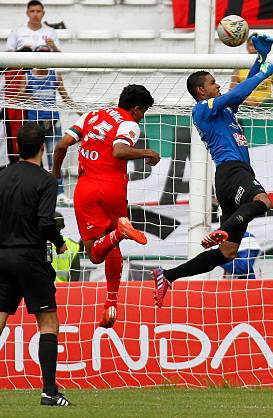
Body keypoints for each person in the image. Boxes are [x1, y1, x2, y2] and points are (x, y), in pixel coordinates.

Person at [152, 34, 273, 308]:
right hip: (233, 172)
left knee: (228, 252)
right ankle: (223, 229)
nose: (217, 83)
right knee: (263, 201)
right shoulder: (202, 110)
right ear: (201, 91)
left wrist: (259, 60)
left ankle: (169, 276)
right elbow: (237, 92)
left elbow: (240, 91)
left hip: (230, 178)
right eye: (211, 82)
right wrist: (264, 74)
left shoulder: (223, 111)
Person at [0, 122, 71, 406]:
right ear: (41, 148)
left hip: (3, 258)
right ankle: (49, 391)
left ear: (16, 147)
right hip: (31, 257)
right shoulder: (46, 181)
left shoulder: (0, 179)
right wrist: (59, 243)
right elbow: (45, 222)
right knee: (48, 323)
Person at [52, 84, 160, 328]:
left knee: (95, 252)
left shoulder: (91, 115)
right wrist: (148, 152)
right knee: (111, 244)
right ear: (135, 108)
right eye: (143, 112)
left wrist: (55, 174)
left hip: (86, 189)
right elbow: (119, 151)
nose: (142, 117)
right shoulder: (129, 123)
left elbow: (60, 146)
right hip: (112, 188)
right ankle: (111, 303)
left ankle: (110, 304)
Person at [25, 44, 75, 204]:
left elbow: (66, 98)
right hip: (34, 123)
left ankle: (58, 192)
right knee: (34, 161)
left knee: (55, 159)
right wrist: (31, 99)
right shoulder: (27, 76)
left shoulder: (54, 75)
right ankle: (36, 193)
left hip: (52, 122)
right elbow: (18, 97)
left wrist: (84, 113)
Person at [229, 33, 273, 106]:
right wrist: (247, 101)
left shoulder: (270, 68)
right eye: (251, 45)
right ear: (247, 47)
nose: (254, 47)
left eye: (257, 45)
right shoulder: (239, 69)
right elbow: (232, 93)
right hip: (245, 109)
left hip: (266, 109)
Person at [51, 211, 81, 282]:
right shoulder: (72, 245)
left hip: (41, 289)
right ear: (62, 226)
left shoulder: (36, 243)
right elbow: (75, 276)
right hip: (64, 290)